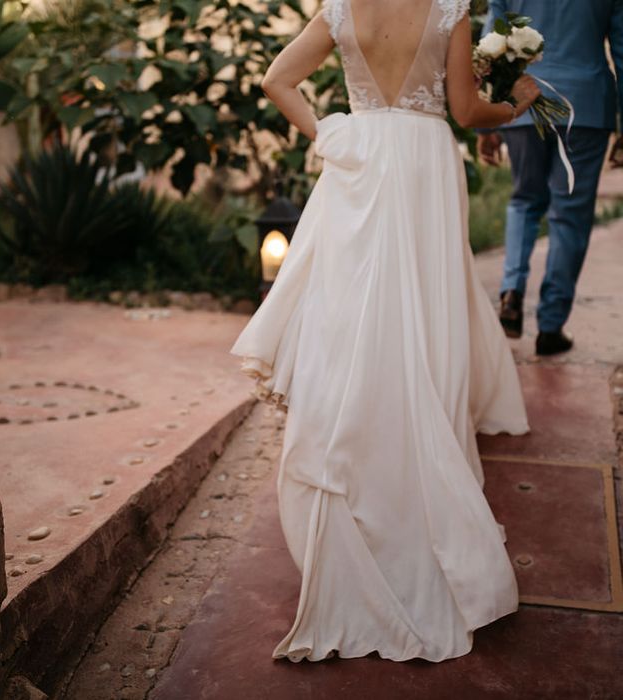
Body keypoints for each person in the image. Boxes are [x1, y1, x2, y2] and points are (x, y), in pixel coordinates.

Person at [229, 0, 539, 663]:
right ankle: (422, 468)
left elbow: (276, 80)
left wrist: (328, 131)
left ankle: (354, 458)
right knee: (428, 318)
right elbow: (464, 110)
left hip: (361, 161)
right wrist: (517, 104)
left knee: (354, 319)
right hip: (425, 164)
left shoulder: (339, 7)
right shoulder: (450, 7)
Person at [478, 0, 623, 355]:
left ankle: (511, 292)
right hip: (585, 105)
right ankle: (551, 324)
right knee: (570, 214)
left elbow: (490, 48)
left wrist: (489, 120)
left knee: (524, 199)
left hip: (524, 100)